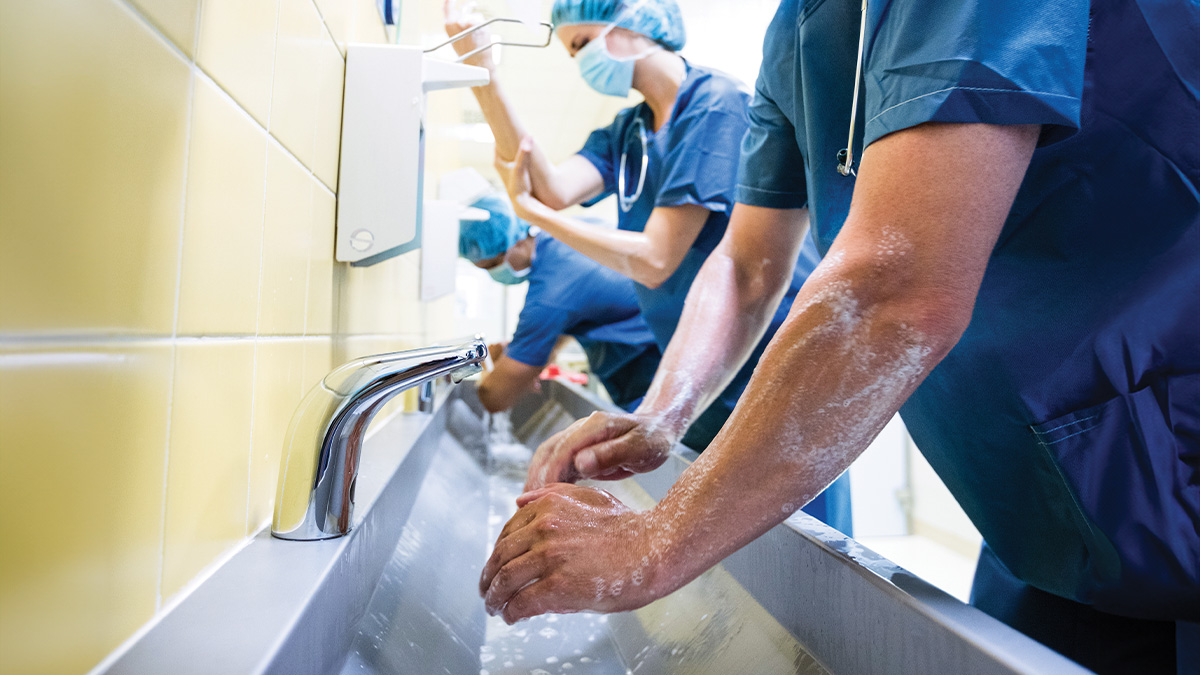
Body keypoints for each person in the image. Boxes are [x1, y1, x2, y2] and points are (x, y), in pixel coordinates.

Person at [478, 0, 1200, 672]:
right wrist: (665, 412)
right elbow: (743, 264)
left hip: (1163, 468)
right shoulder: (805, 26)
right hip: (1040, 500)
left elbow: (897, 284)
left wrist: (655, 539)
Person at [445, 0, 852, 532]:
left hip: (772, 362)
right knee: (727, 538)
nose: (581, 63)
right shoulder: (629, 129)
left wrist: (534, 214)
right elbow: (550, 185)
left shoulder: (714, 107)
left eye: (582, 44)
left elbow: (658, 259)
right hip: (698, 367)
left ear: (636, 21)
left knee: (800, 543)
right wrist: (484, 75)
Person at [460, 192, 661, 414]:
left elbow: (494, 399)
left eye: (491, 266)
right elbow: (582, 310)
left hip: (655, 375)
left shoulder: (549, 295)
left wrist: (495, 373)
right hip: (657, 362)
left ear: (514, 244)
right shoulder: (571, 233)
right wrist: (521, 353)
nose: (495, 275)